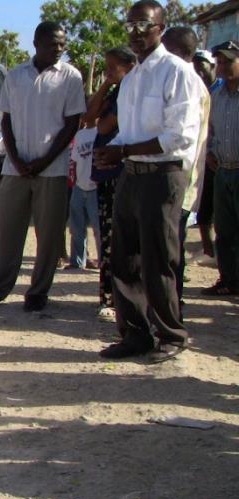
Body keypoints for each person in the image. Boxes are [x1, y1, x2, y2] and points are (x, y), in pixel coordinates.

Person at [95, 0, 201, 362]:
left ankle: (171, 335)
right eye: (131, 26)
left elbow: (178, 137)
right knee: (124, 259)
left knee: (159, 258)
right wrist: (114, 150)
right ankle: (135, 334)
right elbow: (129, 131)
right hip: (132, 174)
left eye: (145, 26)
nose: (136, 34)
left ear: (161, 27)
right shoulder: (133, 78)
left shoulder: (177, 72)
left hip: (164, 175)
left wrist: (123, 152)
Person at [0, 21, 85, 312]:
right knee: (6, 231)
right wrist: (16, 159)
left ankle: (38, 292)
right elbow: (7, 121)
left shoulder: (71, 77)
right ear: (36, 43)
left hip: (52, 169)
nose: (59, 49)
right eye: (54, 44)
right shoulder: (15, 76)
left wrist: (44, 160)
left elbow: (72, 124)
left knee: (48, 234)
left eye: (63, 44)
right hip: (15, 169)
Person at [83, 46, 136, 322]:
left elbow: (104, 128)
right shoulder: (115, 91)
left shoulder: (130, 91)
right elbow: (90, 118)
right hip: (105, 174)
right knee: (106, 236)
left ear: (128, 66)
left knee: (117, 239)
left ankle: (116, 298)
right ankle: (107, 295)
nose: (108, 71)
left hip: (120, 173)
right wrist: (105, 84)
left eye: (113, 67)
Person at [162, 26, 211, 310]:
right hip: (173, 180)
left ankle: (172, 309)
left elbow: (183, 140)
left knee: (172, 250)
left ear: (182, 53)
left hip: (181, 181)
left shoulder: (190, 84)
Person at [201, 40, 239, 296]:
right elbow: (209, 130)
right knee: (224, 230)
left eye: (228, 61)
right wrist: (209, 154)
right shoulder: (216, 95)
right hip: (222, 171)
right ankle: (229, 280)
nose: (223, 66)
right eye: (220, 62)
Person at [193, 49, 221, 258]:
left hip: (222, 159)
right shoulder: (194, 90)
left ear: (212, 67)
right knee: (203, 211)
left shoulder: (221, 91)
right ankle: (209, 252)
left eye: (202, 67)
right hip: (203, 158)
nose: (198, 72)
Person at [66, 119, 102, 270]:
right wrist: (73, 181)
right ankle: (77, 260)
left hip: (95, 186)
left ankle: (103, 261)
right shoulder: (80, 135)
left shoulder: (100, 133)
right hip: (79, 186)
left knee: (99, 228)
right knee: (76, 227)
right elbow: (74, 160)